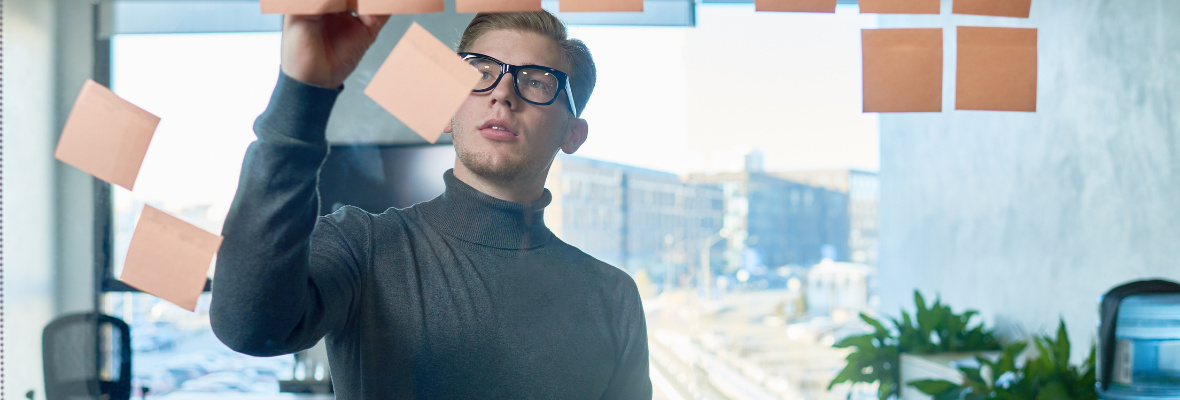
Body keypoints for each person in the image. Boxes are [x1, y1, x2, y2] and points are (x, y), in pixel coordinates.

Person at [209, 9, 653, 399]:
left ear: (572, 135)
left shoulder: (612, 297)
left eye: (536, 81)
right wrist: (303, 91)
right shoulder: (361, 245)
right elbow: (248, 326)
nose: (503, 93)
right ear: (446, 109)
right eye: (480, 74)